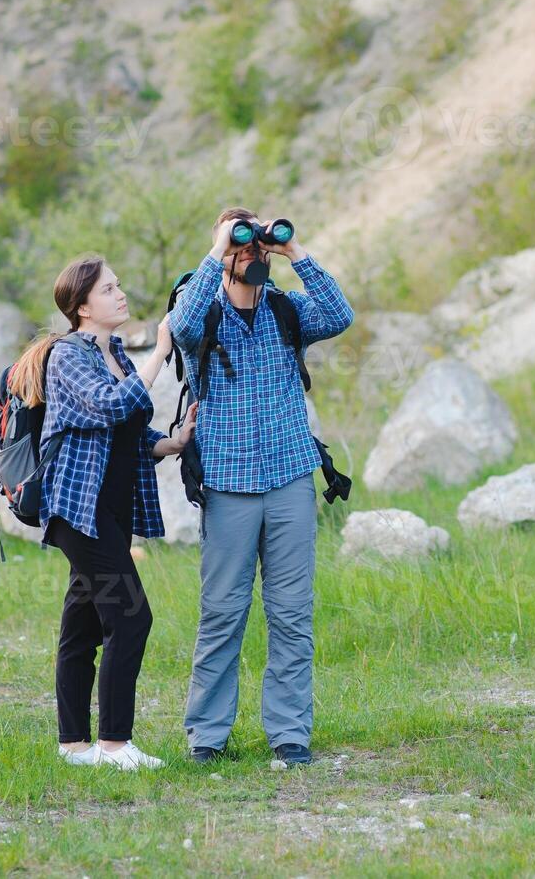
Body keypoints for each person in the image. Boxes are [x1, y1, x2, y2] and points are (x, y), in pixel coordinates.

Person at [170, 208, 355, 767]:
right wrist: (216, 250)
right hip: (228, 484)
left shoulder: (286, 309)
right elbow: (178, 329)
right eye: (241, 245)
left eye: (255, 246)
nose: (251, 255)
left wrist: (293, 251)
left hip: (291, 478)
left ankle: (290, 734)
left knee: (292, 612)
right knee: (223, 613)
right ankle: (206, 737)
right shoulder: (203, 316)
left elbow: (339, 313)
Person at [9, 254, 197, 770]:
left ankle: (74, 747)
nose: (120, 294)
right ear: (82, 307)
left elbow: (128, 433)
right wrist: (160, 353)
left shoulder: (113, 350)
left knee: (83, 628)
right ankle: (115, 745)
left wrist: (172, 442)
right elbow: (110, 406)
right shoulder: (69, 355)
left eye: (118, 285)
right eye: (109, 289)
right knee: (132, 619)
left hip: (110, 512)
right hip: (76, 509)